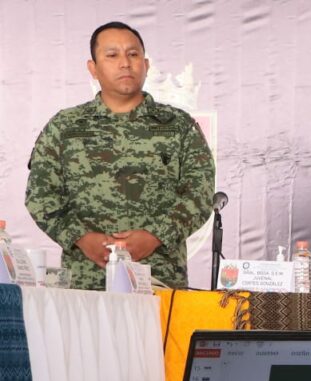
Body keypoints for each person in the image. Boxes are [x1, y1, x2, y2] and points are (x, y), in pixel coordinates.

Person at [24, 21, 214, 291]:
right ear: (93, 68)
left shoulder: (178, 126)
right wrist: (81, 237)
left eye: (133, 54)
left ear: (145, 65)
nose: (125, 63)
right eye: (112, 55)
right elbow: (41, 196)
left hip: (159, 281)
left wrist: (155, 236)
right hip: (84, 283)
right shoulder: (66, 127)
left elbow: (200, 194)